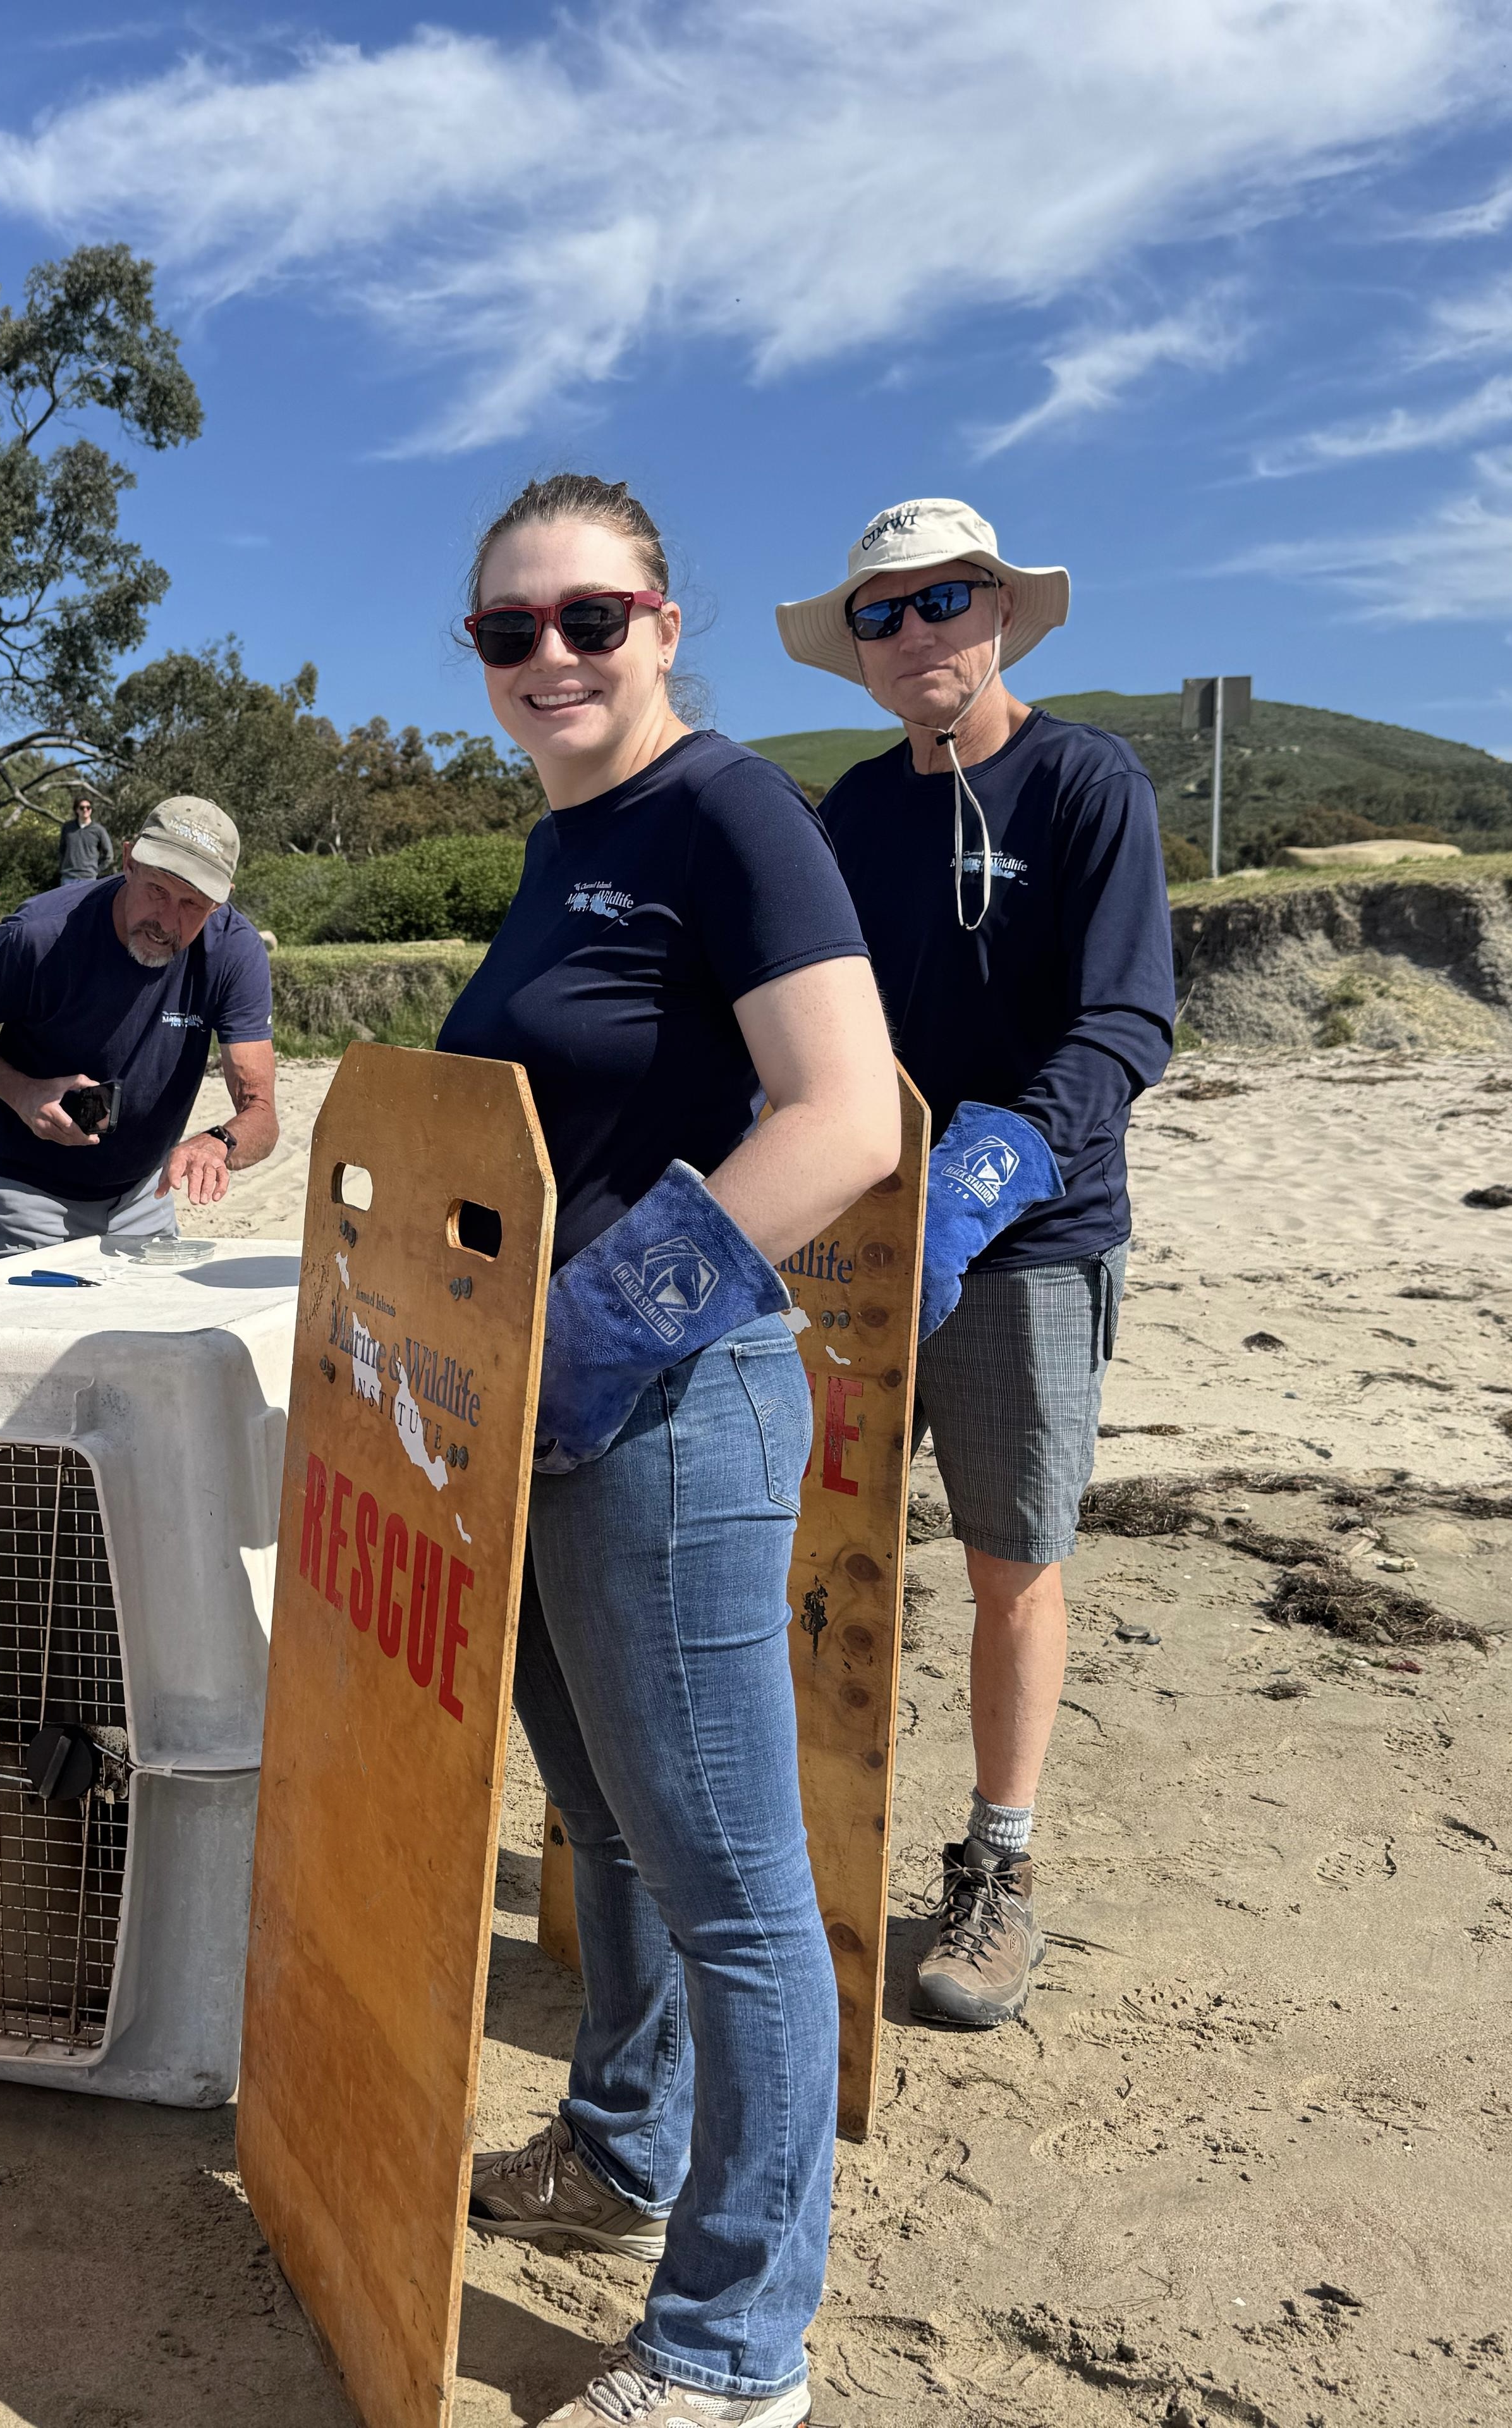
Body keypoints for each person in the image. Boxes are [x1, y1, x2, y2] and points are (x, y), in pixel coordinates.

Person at [439, 475, 901, 2428]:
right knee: (603, 1832)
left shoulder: (727, 812)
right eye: (508, 631)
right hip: (538, 1419)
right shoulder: (569, 843)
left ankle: (731, 2348)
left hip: (674, 1411)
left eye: (588, 618)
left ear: (665, 621)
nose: (551, 656)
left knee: (731, 1883)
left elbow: (846, 1113)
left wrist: (607, 1333)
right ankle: (625, 2146)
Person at [776, 498, 1174, 2028]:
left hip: (1029, 1242)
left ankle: (996, 1870)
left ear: (998, 611)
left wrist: (1001, 1159)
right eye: (878, 615)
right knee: (815, 1553)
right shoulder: (848, 815)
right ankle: (804, 1841)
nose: (912, 634)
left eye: (942, 600)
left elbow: (1128, 1018)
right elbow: (807, 1021)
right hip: (854, 1241)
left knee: (1008, 1558)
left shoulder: (1086, 781)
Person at [0, 795, 278, 1260]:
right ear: (129, 860)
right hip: (25, 1190)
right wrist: (22, 1092)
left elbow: (262, 1113)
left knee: (144, 1333)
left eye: (192, 904)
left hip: (143, 1194)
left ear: (219, 902)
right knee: (42, 1331)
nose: (167, 922)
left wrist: (219, 1144)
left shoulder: (235, 952)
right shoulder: (41, 934)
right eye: (158, 890)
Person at [56, 789, 118, 885]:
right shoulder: (67, 828)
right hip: (68, 878)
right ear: (77, 810)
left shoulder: (99, 830)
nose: (85, 810)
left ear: (91, 810)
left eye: (88, 807)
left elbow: (109, 855)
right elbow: (61, 851)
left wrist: (96, 870)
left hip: (89, 879)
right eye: (82, 808)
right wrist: (63, 868)